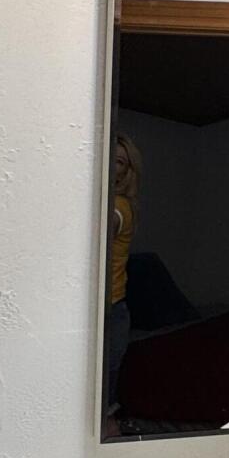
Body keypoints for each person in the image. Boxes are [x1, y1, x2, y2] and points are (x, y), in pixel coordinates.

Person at [103, 133, 140, 433]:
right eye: (111, 159)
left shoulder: (119, 206)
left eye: (121, 162)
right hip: (109, 309)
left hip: (112, 309)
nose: (114, 167)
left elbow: (107, 226)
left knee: (105, 398)